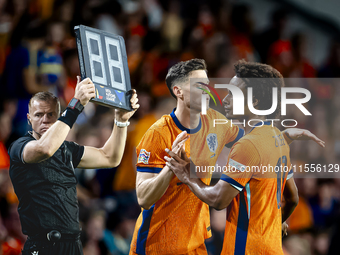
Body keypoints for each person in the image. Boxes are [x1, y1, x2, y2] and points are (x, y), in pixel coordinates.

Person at [165, 60, 325, 254]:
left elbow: (218, 200)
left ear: (255, 102)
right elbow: (292, 198)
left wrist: (188, 176)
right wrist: (276, 222)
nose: (225, 100)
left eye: (233, 94)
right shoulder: (278, 138)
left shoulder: (248, 145)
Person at [8, 76, 139, 255]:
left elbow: (110, 157)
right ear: (29, 118)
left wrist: (121, 121)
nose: (45, 120)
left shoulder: (67, 150)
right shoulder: (20, 146)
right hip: (43, 246)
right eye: (38, 115)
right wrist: (76, 104)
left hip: (73, 245)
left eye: (51, 114)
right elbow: (45, 149)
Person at [129, 59, 245, 255]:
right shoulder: (158, 134)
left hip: (196, 244)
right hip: (157, 245)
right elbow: (143, 198)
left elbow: (253, 145)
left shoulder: (216, 122)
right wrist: (170, 168)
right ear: (178, 91)